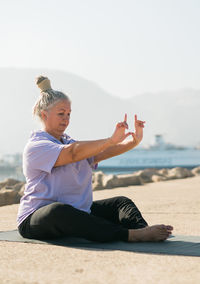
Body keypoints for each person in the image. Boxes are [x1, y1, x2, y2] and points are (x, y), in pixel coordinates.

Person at [17, 76, 173, 243]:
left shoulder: (68, 142)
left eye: (69, 114)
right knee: (58, 211)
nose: (66, 118)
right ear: (44, 115)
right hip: (37, 219)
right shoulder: (37, 146)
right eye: (61, 114)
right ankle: (130, 235)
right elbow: (72, 154)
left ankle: (142, 231)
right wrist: (111, 139)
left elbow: (101, 153)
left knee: (120, 203)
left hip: (77, 212)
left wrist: (133, 142)